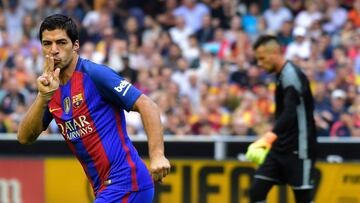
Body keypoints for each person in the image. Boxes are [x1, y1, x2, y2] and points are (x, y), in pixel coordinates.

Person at [17, 14, 171, 203]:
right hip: (105, 188)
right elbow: (25, 137)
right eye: (47, 44)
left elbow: (148, 105)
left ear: (75, 45)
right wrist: (43, 97)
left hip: (127, 183)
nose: (54, 50)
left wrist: (157, 156)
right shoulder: (50, 87)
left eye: (61, 42)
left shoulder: (95, 74)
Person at [246, 35, 317, 203]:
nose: (259, 63)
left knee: (303, 199)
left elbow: (290, 113)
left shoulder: (291, 75)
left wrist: (268, 137)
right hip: (280, 148)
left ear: (276, 52)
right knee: (256, 192)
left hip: (300, 149)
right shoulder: (281, 75)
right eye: (257, 59)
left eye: (262, 58)